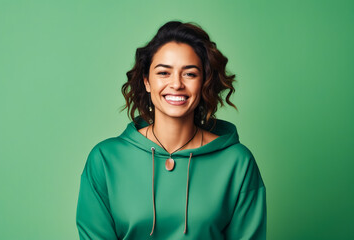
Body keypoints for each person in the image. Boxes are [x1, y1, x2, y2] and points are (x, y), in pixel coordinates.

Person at [76, 21, 266, 239]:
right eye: (164, 73)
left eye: (190, 74)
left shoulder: (237, 162)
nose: (176, 84)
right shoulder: (105, 159)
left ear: (204, 82)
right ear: (147, 81)